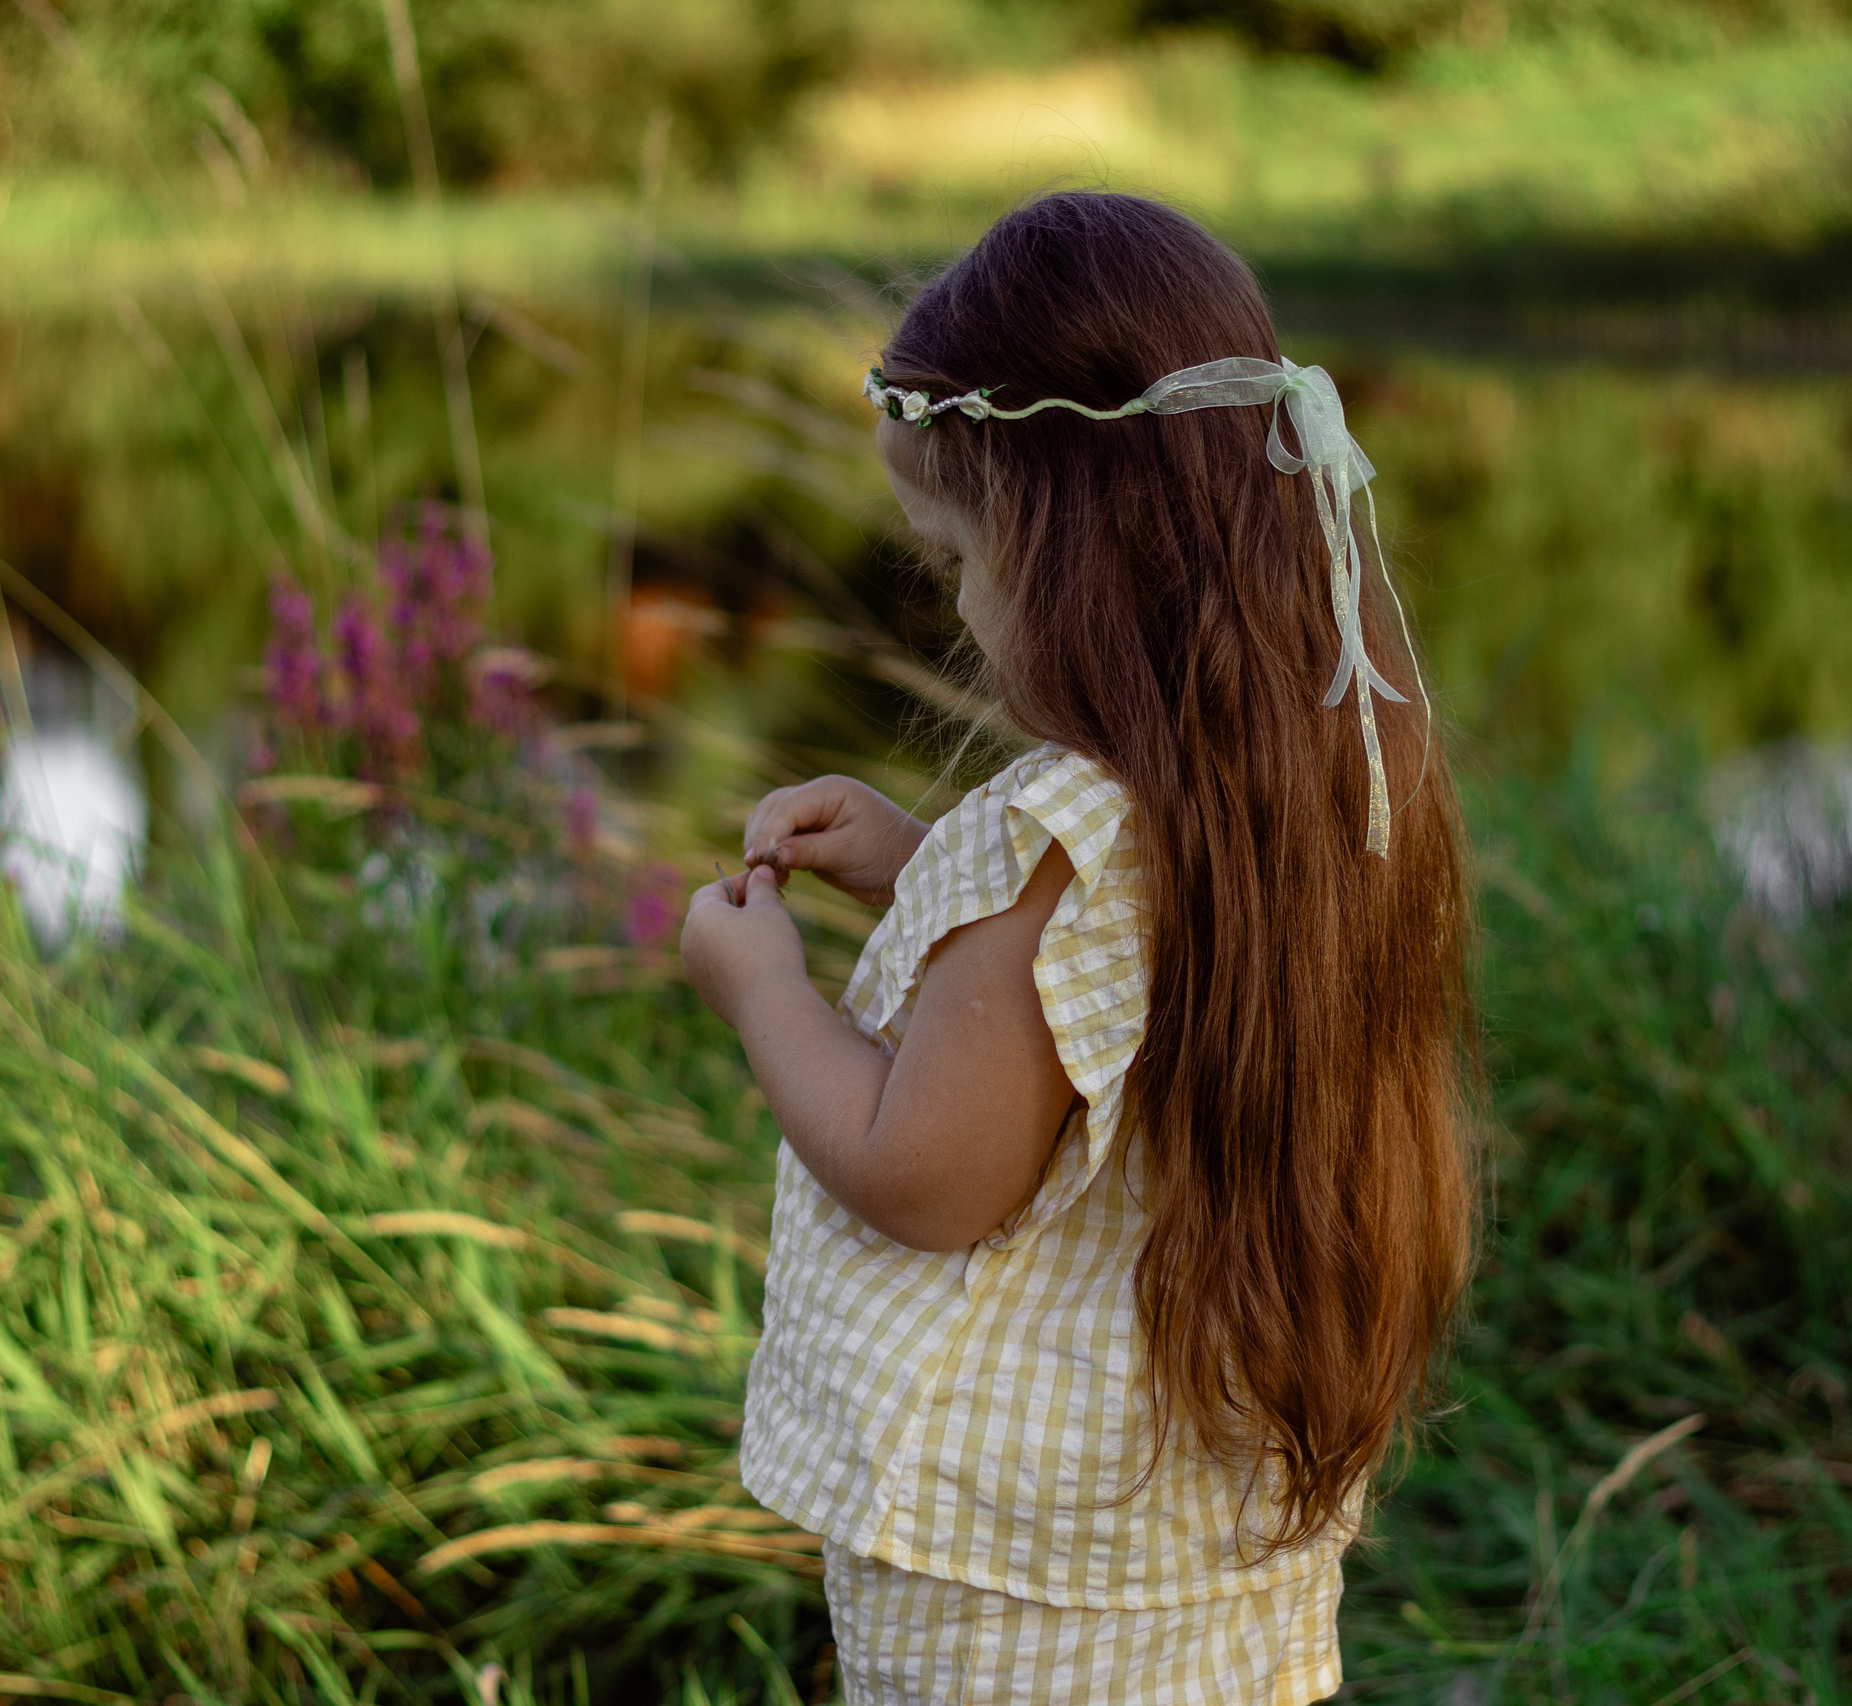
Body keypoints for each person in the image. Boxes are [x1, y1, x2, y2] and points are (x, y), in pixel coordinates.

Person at [678, 191, 1478, 1706]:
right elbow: (1116, 1002)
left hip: (1016, 1584)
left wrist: (763, 990)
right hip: (1195, 1534)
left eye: (955, 555)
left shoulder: (1059, 825)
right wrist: (923, 879)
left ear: (1069, 549)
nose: (959, 606)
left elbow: (927, 1168)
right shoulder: (1313, 778)